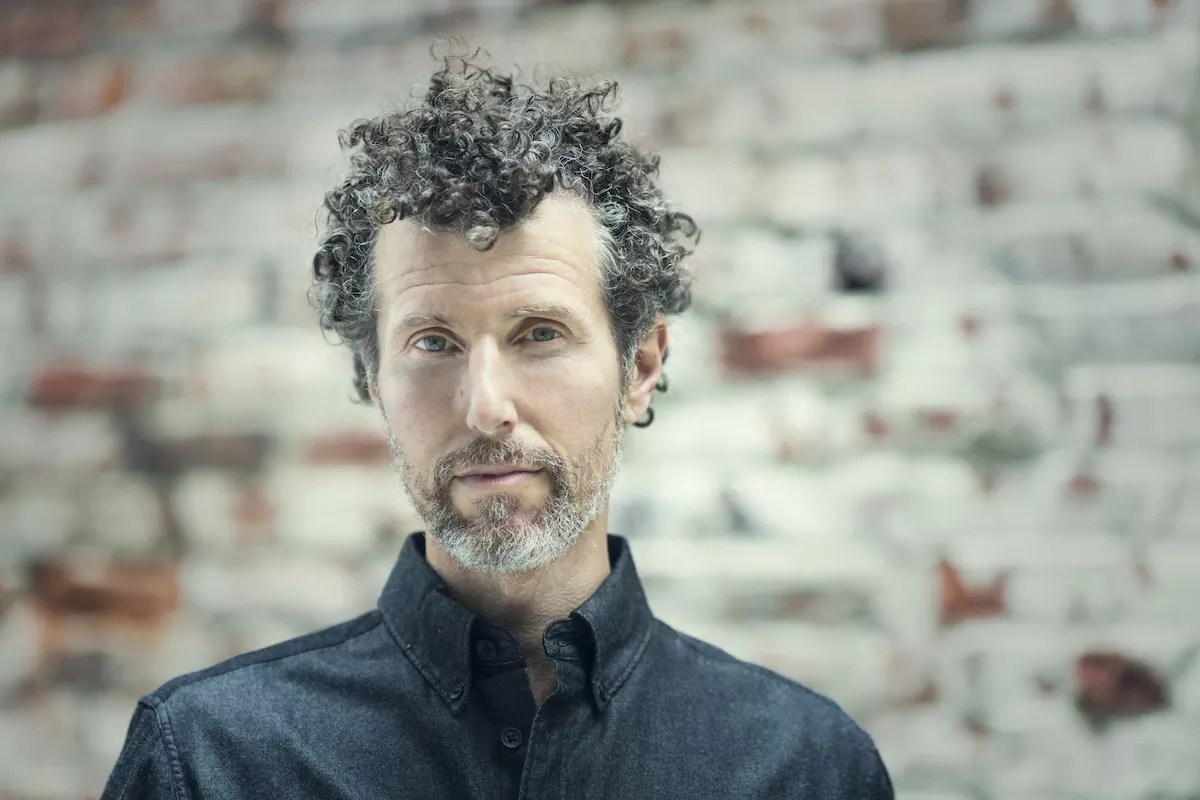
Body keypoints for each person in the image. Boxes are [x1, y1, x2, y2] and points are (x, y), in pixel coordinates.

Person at [100, 53, 894, 799]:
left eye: (539, 334)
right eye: (432, 342)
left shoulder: (807, 767)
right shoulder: (208, 759)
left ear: (641, 367)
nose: (485, 406)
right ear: (373, 380)